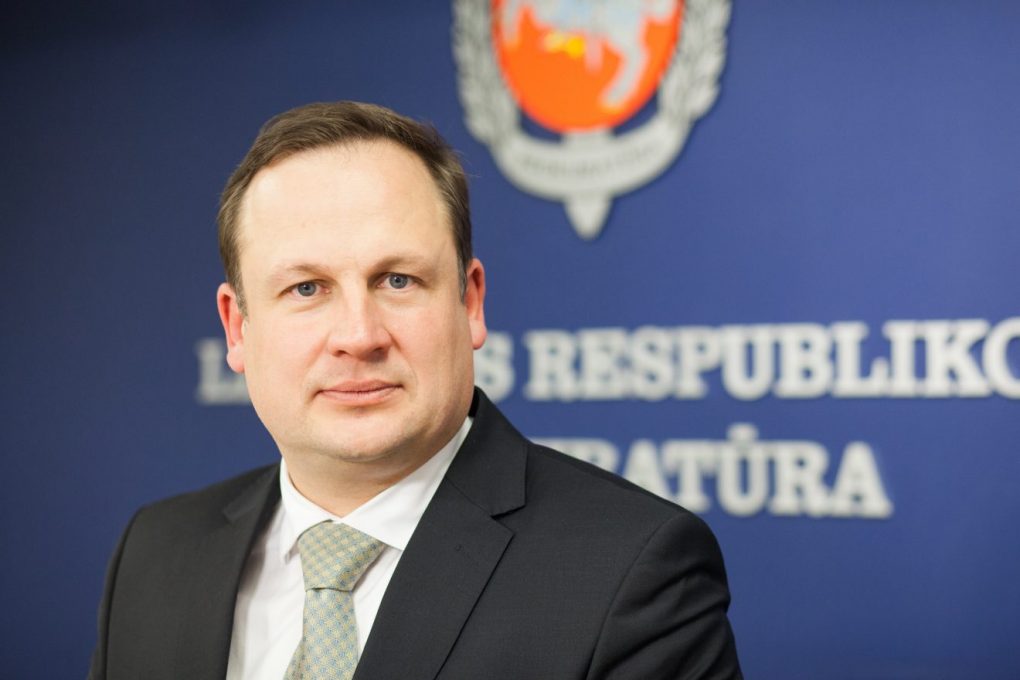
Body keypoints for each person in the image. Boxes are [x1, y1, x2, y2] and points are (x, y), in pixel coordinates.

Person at [89, 101, 742, 680]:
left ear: (470, 302)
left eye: (397, 280)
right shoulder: (156, 551)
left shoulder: (631, 569)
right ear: (238, 328)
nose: (358, 335)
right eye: (306, 288)